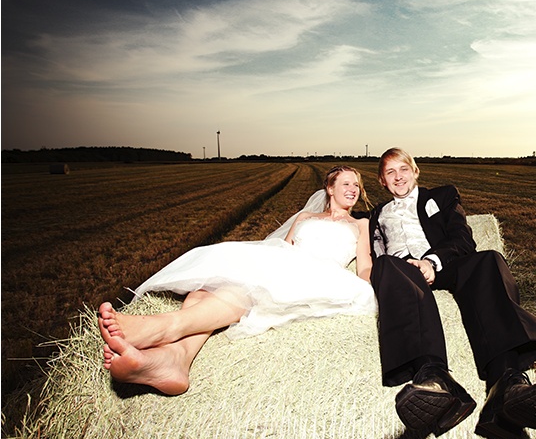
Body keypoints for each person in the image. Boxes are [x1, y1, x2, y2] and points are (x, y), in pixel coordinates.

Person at [97, 166, 376, 395]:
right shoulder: (305, 216)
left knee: (244, 291)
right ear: (330, 188)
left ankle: (164, 328)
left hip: (319, 274)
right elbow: (283, 247)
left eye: (357, 186)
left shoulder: (359, 224)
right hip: (286, 261)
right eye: (347, 183)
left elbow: (364, 265)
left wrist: (377, 286)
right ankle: (175, 359)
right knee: (207, 288)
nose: (353, 189)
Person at [368, 148, 536, 439]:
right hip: (402, 271)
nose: (398, 177)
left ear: (415, 171)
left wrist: (432, 262)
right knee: (385, 266)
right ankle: (434, 377)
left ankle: (507, 382)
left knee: (488, 261)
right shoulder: (376, 214)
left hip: (443, 264)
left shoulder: (443, 196)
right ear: (382, 181)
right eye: (390, 173)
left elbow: (462, 238)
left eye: (403, 169)